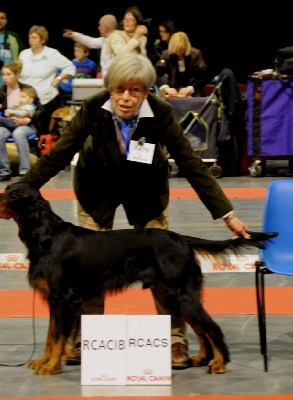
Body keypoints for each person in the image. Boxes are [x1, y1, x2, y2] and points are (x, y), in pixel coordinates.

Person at [19, 52, 252, 369]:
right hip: (96, 190)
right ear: (110, 87)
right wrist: (20, 189)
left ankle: (176, 342)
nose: (126, 98)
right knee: (86, 270)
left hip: (146, 193)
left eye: (136, 90)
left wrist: (228, 214)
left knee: (166, 269)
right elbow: (56, 156)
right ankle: (88, 342)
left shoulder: (161, 112)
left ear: (147, 91)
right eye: (119, 90)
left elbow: (191, 164)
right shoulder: (92, 108)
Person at [0, 61, 44, 181]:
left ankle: (25, 170)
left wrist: (28, 119)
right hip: (8, 123)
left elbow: (40, 110)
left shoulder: (27, 89)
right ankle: (3, 171)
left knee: (18, 133)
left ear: (16, 75)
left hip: (25, 124)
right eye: (3, 74)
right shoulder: (1, 90)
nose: (5, 78)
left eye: (9, 74)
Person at [18, 25, 76, 133]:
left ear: (43, 40)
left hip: (45, 100)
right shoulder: (24, 54)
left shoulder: (51, 54)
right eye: (30, 37)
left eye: (34, 38)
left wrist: (58, 78)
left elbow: (71, 67)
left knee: (42, 132)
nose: (31, 40)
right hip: (27, 100)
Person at [0, 10, 25, 104]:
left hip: (10, 83)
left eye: (2, 18)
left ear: (6, 21)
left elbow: (23, 56)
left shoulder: (14, 37)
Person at [155, 31, 208, 97]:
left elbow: (202, 76)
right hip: (172, 92)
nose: (179, 53)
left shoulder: (195, 54)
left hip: (193, 92)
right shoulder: (166, 55)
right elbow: (156, 74)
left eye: (182, 50)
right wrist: (166, 87)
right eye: (176, 50)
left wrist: (190, 88)